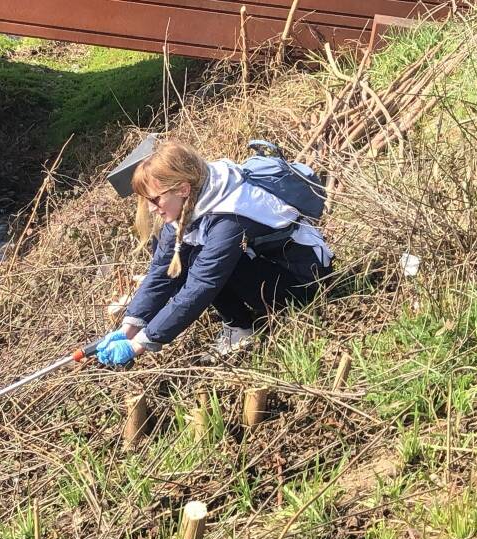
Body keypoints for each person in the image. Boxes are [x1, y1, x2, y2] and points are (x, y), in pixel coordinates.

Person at [96, 137, 333, 367]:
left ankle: (239, 329)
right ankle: (239, 322)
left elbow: (201, 285)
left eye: (155, 199)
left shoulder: (231, 214)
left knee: (198, 259)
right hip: (264, 267)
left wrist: (142, 342)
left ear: (183, 189)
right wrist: (129, 326)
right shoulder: (191, 203)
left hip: (303, 280)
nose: (151, 208)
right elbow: (162, 271)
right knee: (176, 253)